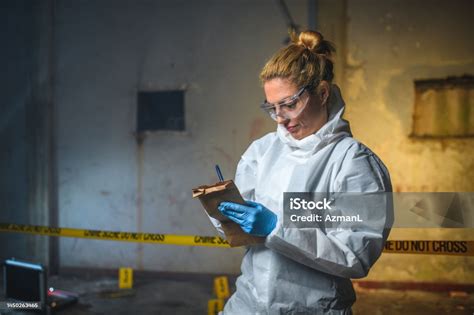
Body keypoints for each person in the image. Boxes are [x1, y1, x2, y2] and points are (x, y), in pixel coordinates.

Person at [213, 30, 393, 314]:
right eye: (272, 108)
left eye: (289, 104)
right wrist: (225, 213)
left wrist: (276, 227)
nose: (281, 118)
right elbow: (240, 232)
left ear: (322, 93)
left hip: (313, 309)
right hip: (248, 304)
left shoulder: (353, 162)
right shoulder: (262, 152)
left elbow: (356, 256)